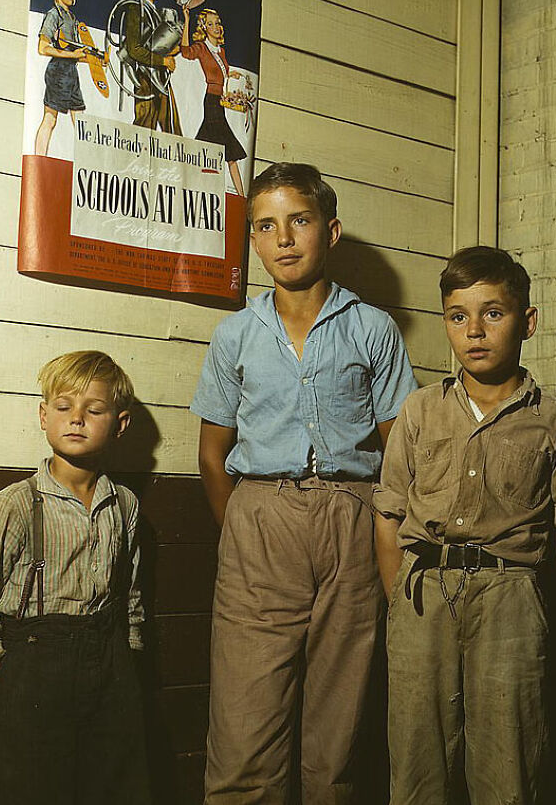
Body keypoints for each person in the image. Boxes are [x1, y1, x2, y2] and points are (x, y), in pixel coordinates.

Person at [190, 162, 417, 804]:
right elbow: (213, 455)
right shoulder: (235, 333)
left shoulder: (373, 328)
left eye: (300, 220)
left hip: (354, 515)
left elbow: (401, 446)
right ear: (254, 242)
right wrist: (238, 524)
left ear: (331, 230)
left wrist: (385, 532)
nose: (284, 237)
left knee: (338, 716)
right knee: (245, 712)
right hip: (259, 518)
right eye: (267, 225)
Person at [374, 246, 556, 805]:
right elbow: (389, 514)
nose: (474, 330)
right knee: (417, 761)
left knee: (508, 766)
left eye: (493, 313)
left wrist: (531, 599)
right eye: (458, 315)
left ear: (528, 321)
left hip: (512, 599)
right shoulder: (419, 412)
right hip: (423, 594)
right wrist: (399, 597)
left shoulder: (555, 421)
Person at [0, 351, 150, 805]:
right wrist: (2, 684)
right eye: (64, 407)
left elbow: (130, 598)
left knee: (110, 788)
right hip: (30, 673)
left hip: (108, 673)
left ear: (120, 424)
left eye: (94, 409)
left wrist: (127, 666)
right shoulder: (15, 504)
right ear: (44, 416)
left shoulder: (124, 504)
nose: (77, 419)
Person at [181, 6, 246, 196]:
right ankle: (241, 196)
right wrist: (186, 19)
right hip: (211, 103)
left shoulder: (220, 51)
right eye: (210, 24)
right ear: (204, 27)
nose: (216, 27)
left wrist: (229, 74)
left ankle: (189, 186)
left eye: (217, 22)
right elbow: (185, 51)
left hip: (219, 102)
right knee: (230, 153)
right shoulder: (202, 48)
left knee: (205, 147)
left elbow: (220, 73)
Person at [124, 0, 182, 134]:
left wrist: (172, 51)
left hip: (161, 77)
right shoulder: (135, 8)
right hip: (145, 78)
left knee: (172, 129)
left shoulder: (157, 12)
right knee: (144, 127)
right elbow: (133, 49)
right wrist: (163, 61)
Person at [34, 0, 87, 156]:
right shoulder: (53, 15)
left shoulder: (72, 18)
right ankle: (39, 160)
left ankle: (85, 162)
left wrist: (95, 60)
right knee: (50, 119)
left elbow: (76, 51)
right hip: (58, 72)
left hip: (71, 74)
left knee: (80, 122)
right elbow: (43, 48)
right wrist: (73, 56)